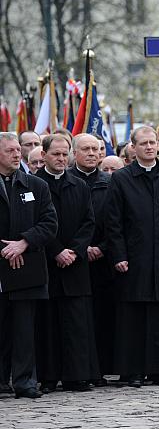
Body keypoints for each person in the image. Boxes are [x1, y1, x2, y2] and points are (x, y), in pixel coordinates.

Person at [105, 126, 159, 387]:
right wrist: (118, 254)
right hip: (134, 257)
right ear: (134, 148)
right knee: (134, 315)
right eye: (144, 143)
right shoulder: (121, 179)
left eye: (153, 142)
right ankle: (133, 371)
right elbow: (113, 221)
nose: (150, 147)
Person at [35, 134, 99, 392]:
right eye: (56, 154)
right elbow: (36, 223)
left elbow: (88, 221)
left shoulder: (79, 185)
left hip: (75, 264)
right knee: (48, 322)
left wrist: (73, 250)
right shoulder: (35, 184)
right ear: (44, 156)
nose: (61, 159)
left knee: (77, 322)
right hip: (47, 263)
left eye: (65, 154)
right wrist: (56, 251)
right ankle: (49, 377)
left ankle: (77, 375)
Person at [0, 132, 57, 398]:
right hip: (2, 265)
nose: (17, 154)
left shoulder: (36, 185)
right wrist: (6, 249)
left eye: (17, 150)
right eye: (10, 150)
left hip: (28, 267)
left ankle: (24, 381)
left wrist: (23, 243)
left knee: (24, 329)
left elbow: (49, 224)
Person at [70, 134, 114, 385]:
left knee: (103, 315)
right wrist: (80, 248)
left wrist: (102, 247)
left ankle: (103, 367)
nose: (91, 154)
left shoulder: (110, 183)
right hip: (73, 259)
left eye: (96, 149)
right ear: (74, 153)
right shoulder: (68, 181)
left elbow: (118, 222)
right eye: (85, 149)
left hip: (104, 260)